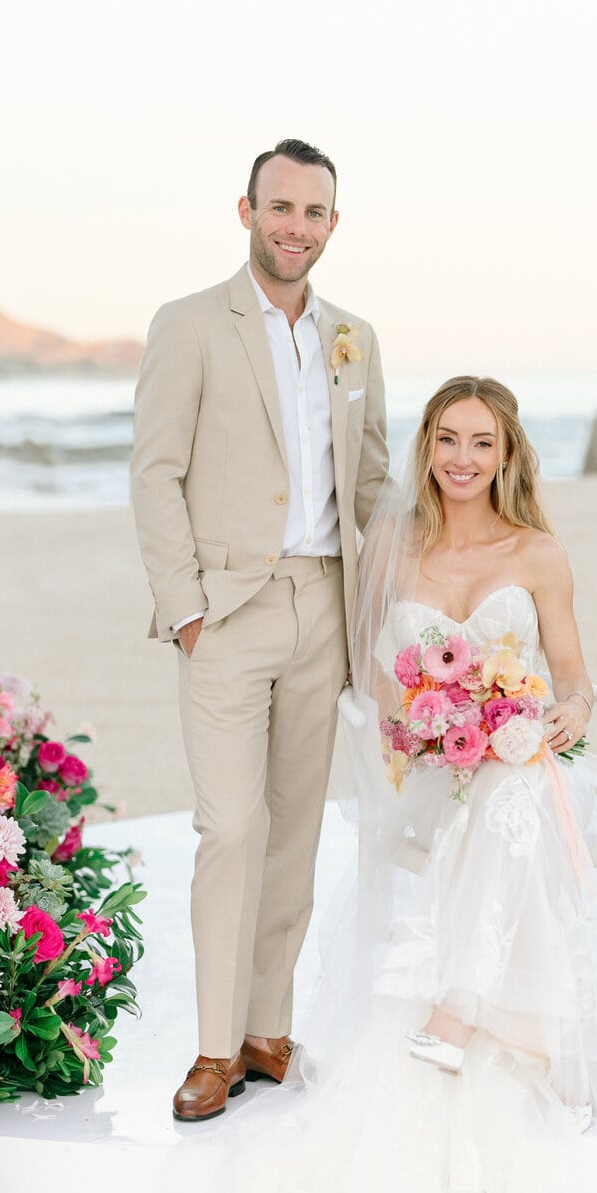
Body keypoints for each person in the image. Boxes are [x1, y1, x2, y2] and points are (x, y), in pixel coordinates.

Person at [108, 376, 597, 1193]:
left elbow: (575, 684)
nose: (461, 458)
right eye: (446, 438)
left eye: (480, 443)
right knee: (496, 787)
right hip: (421, 786)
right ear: (426, 447)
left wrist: (549, 719)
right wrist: (427, 732)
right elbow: (367, 693)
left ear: (507, 454)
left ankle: (457, 1009)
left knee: (519, 780)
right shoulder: (391, 552)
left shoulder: (537, 553)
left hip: (516, 773)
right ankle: (469, 1000)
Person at [130, 138, 388, 1121]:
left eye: (314, 212)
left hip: (327, 603)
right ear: (245, 211)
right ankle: (210, 1045)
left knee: (297, 824)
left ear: (333, 223)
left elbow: (369, 479)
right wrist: (187, 606)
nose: (296, 227)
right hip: (227, 610)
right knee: (229, 827)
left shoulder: (355, 335)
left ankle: (266, 1027)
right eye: (280, 207)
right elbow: (155, 470)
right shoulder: (191, 324)